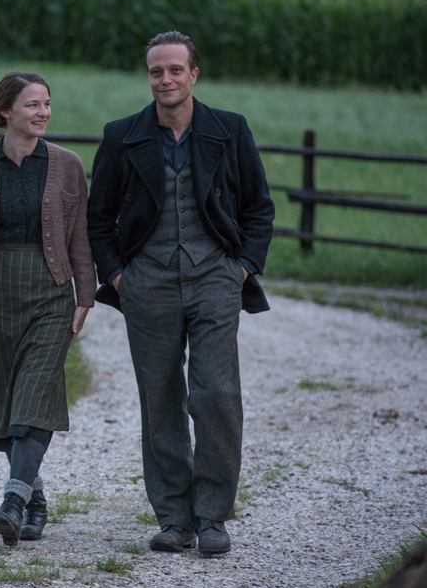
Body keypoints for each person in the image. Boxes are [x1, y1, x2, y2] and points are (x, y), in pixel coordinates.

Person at [86, 32, 275, 556]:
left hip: (215, 277)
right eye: (155, 72)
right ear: (148, 76)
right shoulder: (123, 135)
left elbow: (259, 208)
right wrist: (120, 276)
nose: (164, 79)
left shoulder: (229, 130)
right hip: (146, 284)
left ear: (194, 74)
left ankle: (212, 515)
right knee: (161, 399)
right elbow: (98, 217)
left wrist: (240, 269)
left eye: (174, 70)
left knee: (216, 395)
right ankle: (174, 518)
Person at [0, 71, 97, 547]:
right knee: (1, 405)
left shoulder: (68, 165)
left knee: (35, 398)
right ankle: (36, 496)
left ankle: (11, 501)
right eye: (33, 105)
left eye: (48, 104)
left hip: (51, 294)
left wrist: (85, 297)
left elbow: (79, 236)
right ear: (6, 111)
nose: (44, 113)